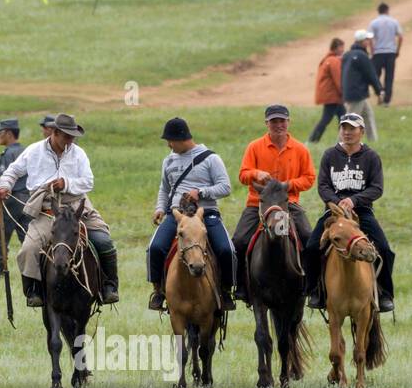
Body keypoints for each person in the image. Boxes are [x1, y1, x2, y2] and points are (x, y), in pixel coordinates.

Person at [0, 112, 120, 307]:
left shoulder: (78, 153)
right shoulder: (33, 151)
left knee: (103, 241)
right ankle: (34, 291)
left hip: (76, 208)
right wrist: (4, 186)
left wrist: (67, 183)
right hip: (47, 210)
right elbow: (13, 171)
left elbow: (88, 181)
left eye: (72, 136)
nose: (71, 140)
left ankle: (109, 286)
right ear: (54, 133)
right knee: (29, 249)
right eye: (67, 136)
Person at [304, 112, 395, 314]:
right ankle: (314, 291)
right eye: (344, 128)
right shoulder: (330, 155)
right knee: (311, 247)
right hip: (333, 213)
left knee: (384, 249)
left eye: (352, 128)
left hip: (362, 211)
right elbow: (323, 186)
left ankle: (384, 293)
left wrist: (354, 200)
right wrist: (336, 203)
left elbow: (377, 188)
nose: (347, 132)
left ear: (361, 132)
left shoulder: (371, 157)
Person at [146, 118, 236, 312]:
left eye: (169, 141)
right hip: (178, 215)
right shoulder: (168, 160)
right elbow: (165, 188)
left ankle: (226, 290)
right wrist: (160, 208)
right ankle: (158, 290)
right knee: (155, 247)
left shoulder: (211, 158)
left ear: (180, 138)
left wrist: (201, 192)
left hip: (207, 213)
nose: (168, 145)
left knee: (226, 249)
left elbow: (225, 187)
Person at [230, 105, 316, 303]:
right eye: (274, 121)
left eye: (282, 121)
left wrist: (288, 186)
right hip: (258, 204)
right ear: (266, 124)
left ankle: (310, 286)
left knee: (308, 238)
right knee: (239, 241)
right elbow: (243, 175)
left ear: (289, 122)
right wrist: (256, 173)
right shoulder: (254, 147)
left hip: (288, 204)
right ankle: (241, 286)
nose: (279, 125)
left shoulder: (300, 149)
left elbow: (309, 178)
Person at [0, 119, 28, 277]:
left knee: (1, 237)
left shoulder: (8, 154)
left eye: (1, 132)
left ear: (9, 133)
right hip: (27, 199)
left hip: (11, 199)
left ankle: (0, 270)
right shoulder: (26, 151)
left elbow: (5, 182)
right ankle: (33, 268)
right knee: (27, 237)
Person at [342, 30, 381, 141]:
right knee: (350, 121)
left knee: (368, 115)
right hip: (357, 93)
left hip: (351, 92)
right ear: (362, 41)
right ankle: (340, 145)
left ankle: (373, 141)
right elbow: (371, 75)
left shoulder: (347, 55)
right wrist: (379, 91)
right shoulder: (362, 56)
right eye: (367, 39)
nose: (369, 41)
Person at [308, 38, 346, 143]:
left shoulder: (328, 59)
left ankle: (343, 140)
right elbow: (338, 79)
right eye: (342, 47)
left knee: (343, 118)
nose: (343, 49)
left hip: (331, 96)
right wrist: (343, 93)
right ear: (336, 47)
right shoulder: (333, 61)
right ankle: (312, 139)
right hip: (332, 96)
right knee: (326, 119)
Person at [368, 3, 403, 105]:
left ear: (378, 11)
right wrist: (398, 50)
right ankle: (387, 100)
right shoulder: (394, 22)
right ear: (387, 10)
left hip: (378, 52)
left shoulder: (374, 23)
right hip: (391, 52)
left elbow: (369, 38)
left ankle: (380, 92)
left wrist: (372, 50)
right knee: (389, 77)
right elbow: (400, 37)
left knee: (375, 76)